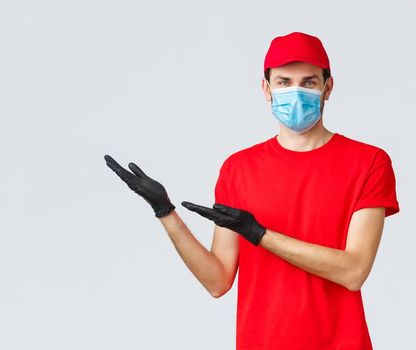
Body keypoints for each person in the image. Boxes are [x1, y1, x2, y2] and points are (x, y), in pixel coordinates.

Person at [103, 31, 399, 349]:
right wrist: (165, 212)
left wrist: (259, 235)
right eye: (284, 82)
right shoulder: (238, 169)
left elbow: (353, 271)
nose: (296, 91)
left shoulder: (369, 162)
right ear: (266, 88)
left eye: (309, 82)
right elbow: (217, 281)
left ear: (328, 88)